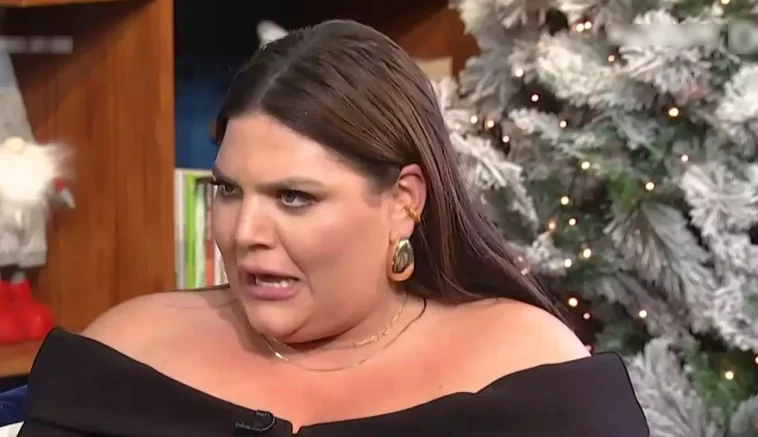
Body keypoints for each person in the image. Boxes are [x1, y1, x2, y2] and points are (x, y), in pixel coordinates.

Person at [17, 19, 648, 437]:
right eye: (228, 191)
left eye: (294, 197)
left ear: (403, 201)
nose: (244, 233)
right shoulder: (128, 352)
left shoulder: (528, 370)